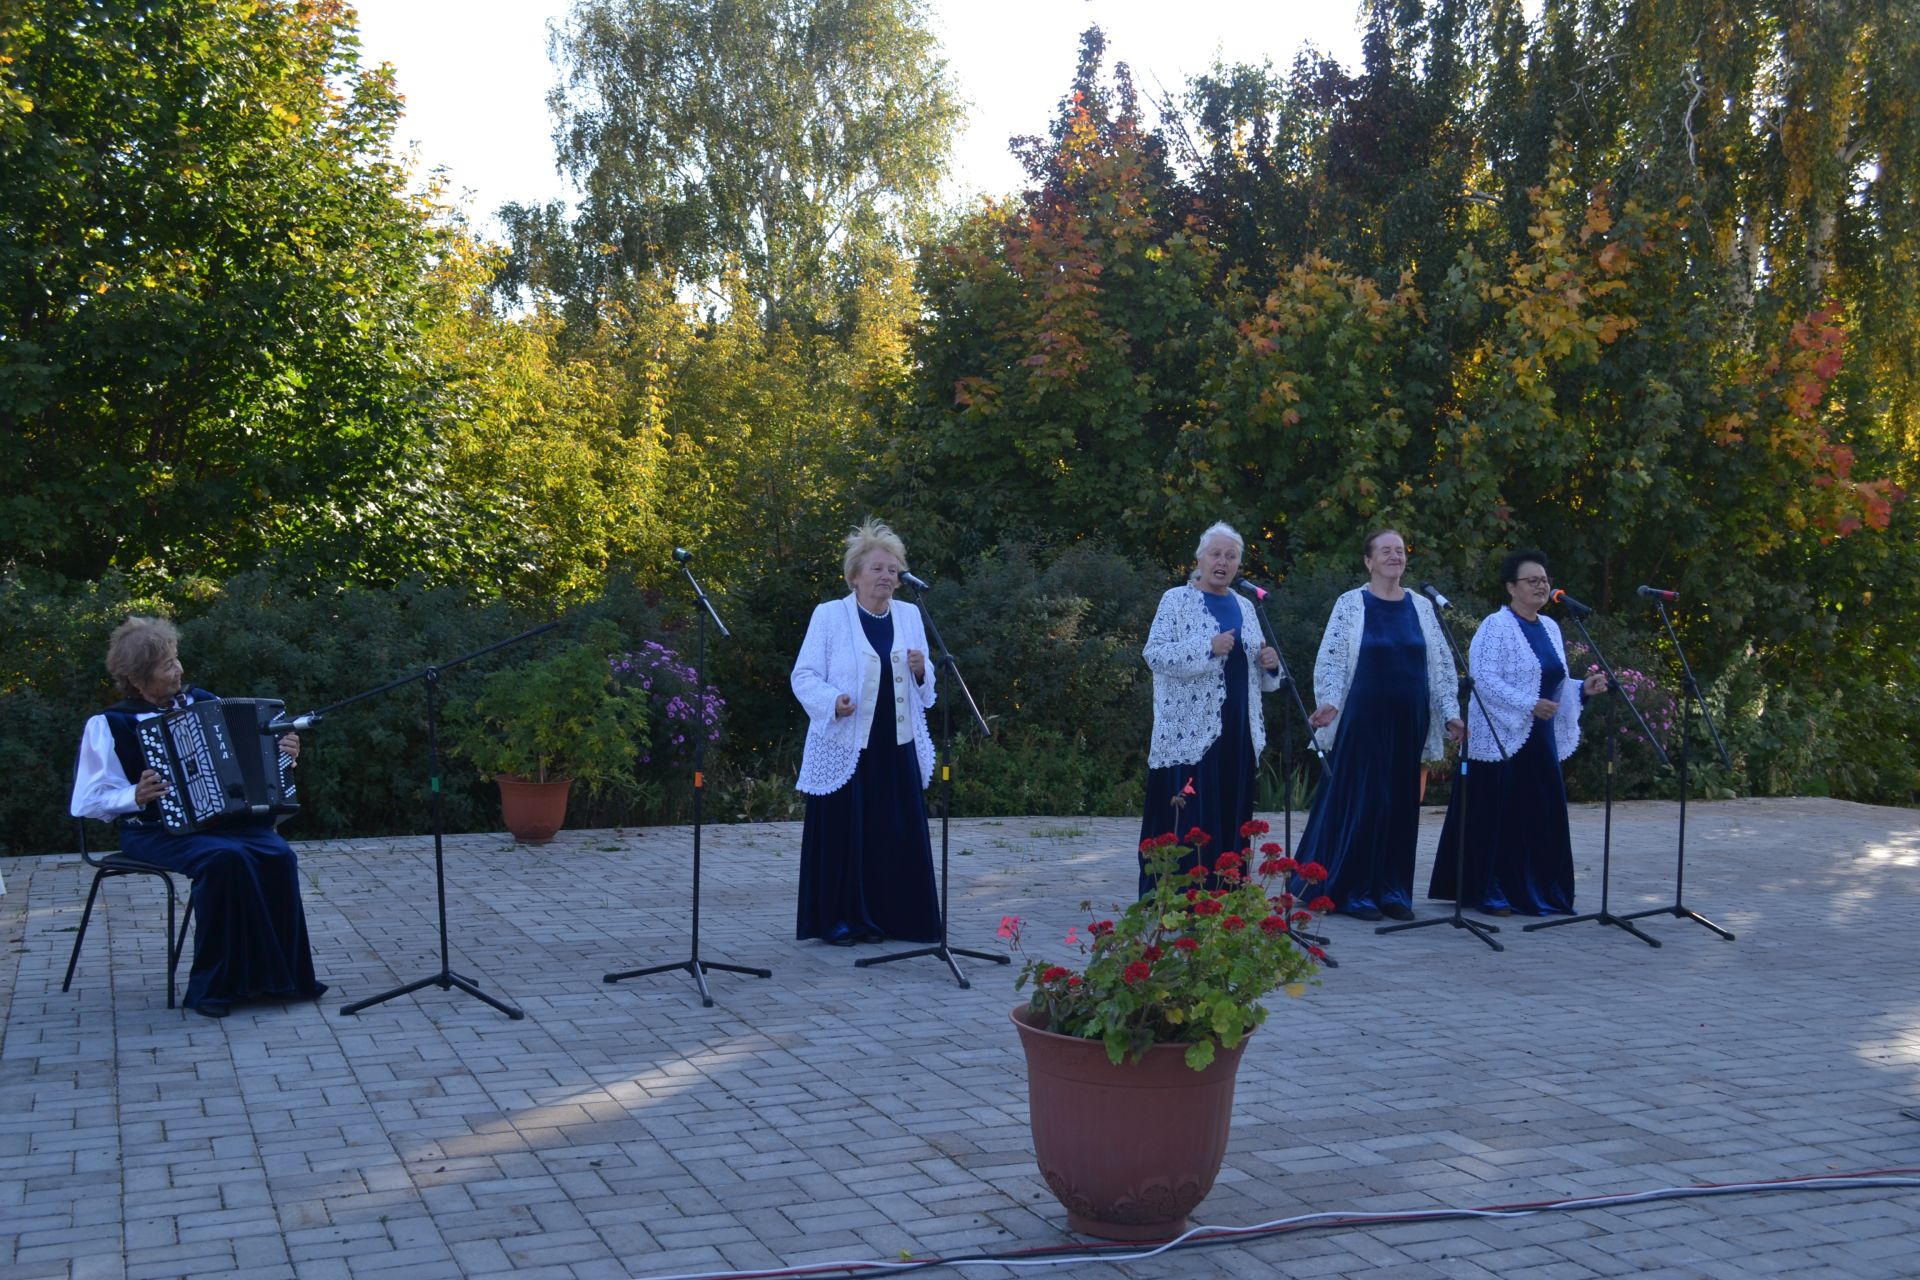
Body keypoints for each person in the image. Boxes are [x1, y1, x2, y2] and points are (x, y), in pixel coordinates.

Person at [69, 616, 326, 1018]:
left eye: (176, 659)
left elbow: (246, 763)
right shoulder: (109, 724)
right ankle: (215, 988)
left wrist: (284, 754)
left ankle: (283, 979)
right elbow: (88, 799)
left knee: (279, 856)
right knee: (225, 861)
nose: (179, 670)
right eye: (167, 665)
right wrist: (133, 795)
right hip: (152, 830)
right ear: (137, 679)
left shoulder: (202, 701)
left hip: (222, 824)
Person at [1294, 529, 1463, 920]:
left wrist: (1450, 712)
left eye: (1400, 551)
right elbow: (1332, 659)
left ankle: (1393, 890)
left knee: (1401, 804)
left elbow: (1440, 667)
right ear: (1368, 561)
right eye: (1385, 551)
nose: (1394, 556)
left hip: (1409, 720)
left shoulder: (1422, 607)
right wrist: (1330, 703)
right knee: (1368, 803)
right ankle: (1356, 890)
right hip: (1364, 719)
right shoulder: (1351, 604)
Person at [1428, 550, 1608, 915]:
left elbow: (1552, 682)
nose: (1541, 586)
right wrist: (1529, 704)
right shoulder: (1495, 627)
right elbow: (1484, 680)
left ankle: (1540, 889)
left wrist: (1581, 689)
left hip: (1538, 738)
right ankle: (1491, 889)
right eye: (1532, 580)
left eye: (1544, 580)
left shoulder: (1551, 628)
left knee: (1541, 814)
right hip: (1499, 739)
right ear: (1511, 587)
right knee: (1499, 818)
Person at [791, 519, 941, 946]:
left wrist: (920, 670)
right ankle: (840, 920)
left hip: (896, 745)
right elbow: (803, 676)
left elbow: (926, 682)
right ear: (855, 575)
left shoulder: (911, 615)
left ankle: (900, 918)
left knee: (893, 833)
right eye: (878, 569)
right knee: (846, 835)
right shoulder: (829, 616)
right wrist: (832, 702)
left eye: (894, 571)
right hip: (846, 744)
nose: (887, 578)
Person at [1138, 522, 1284, 895]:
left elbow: (1262, 678)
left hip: (1238, 733)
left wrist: (1269, 664)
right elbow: (1155, 655)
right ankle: (1180, 901)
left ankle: (1226, 898)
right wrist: (1208, 646)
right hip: (1190, 733)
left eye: (1231, 556)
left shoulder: (1246, 606)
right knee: (1189, 820)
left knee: (1230, 817)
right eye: (1216, 554)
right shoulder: (1175, 600)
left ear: (1238, 564)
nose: (1223, 562)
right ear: (1199, 558)